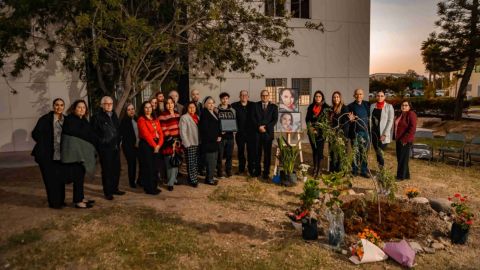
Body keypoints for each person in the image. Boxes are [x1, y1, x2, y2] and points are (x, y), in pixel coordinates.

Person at [31, 98, 67, 209]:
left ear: (64, 107)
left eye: (61, 105)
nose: (59, 107)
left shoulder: (66, 120)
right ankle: (54, 203)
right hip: (47, 155)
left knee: (60, 178)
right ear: (53, 106)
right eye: (57, 105)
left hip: (61, 155)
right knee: (50, 180)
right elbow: (35, 134)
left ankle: (61, 200)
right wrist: (45, 143)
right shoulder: (45, 119)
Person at [61, 100, 97, 208]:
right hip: (75, 155)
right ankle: (78, 201)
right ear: (74, 108)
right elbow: (76, 135)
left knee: (81, 177)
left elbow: (89, 134)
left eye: (83, 107)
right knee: (77, 177)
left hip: (82, 154)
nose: (81, 109)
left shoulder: (84, 120)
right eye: (79, 107)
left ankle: (81, 197)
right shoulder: (70, 120)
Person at [91, 96, 124, 200]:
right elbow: (93, 134)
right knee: (107, 170)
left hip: (115, 147)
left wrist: (119, 141)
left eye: (111, 104)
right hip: (105, 149)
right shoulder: (96, 117)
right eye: (106, 103)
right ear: (102, 105)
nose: (109, 105)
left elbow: (117, 129)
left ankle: (115, 188)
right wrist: (101, 144)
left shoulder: (114, 115)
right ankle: (108, 192)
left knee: (116, 169)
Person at [137, 101, 164, 195]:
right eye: (146, 107)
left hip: (156, 144)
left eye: (150, 107)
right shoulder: (141, 119)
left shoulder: (155, 118)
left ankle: (154, 186)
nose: (148, 109)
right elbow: (146, 134)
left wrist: (159, 144)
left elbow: (160, 132)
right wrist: (155, 146)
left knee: (156, 167)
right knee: (148, 167)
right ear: (143, 109)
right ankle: (149, 188)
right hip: (146, 145)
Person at [253, 90, 278, 179]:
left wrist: (266, 127)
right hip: (257, 133)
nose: (264, 97)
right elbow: (253, 118)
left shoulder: (274, 107)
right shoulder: (255, 105)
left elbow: (274, 120)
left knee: (267, 154)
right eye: (263, 95)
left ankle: (266, 172)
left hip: (268, 133)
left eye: (266, 95)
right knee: (257, 153)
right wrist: (259, 127)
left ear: (269, 96)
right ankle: (257, 171)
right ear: (260, 96)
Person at [158, 97, 182, 191]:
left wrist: (179, 139)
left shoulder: (177, 114)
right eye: (167, 103)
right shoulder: (162, 116)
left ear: (174, 104)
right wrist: (172, 140)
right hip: (169, 142)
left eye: (171, 103)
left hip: (178, 141)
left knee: (176, 161)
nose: (170, 105)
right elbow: (164, 129)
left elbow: (180, 127)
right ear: (165, 105)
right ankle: (170, 183)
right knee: (170, 163)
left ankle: (174, 179)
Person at [305, 90, 330, 178]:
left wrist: (318, 130)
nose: (318, 98)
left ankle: (319, 169)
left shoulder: (326, 107)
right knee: (314, 151)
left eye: (319, 96)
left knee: (320, 151)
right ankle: (315, 168)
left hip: (321, 134)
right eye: (316, 96)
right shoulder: (311, 106)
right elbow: (307, 119)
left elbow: (327, 122)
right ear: (314, 98)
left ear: (322, 97)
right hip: (311, 133)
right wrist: (311, 128)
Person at [231, 90, 256, 176]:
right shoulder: (234, 106)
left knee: (251, 152)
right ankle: (241, 169)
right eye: (242, 95)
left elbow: (261, 107)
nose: (244, 96)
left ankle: (251, 169)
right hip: (240, 133)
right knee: (240, 152)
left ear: (248, 96)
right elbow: (226, 109)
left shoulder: (253, 105)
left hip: (251, 133)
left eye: (245, 95)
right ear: (239, 96)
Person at [348, 88, 370, 178]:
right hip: (356, 133)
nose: (359, 96)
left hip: (365, 132)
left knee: (364, 153)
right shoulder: (350, 106)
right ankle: (355, 170)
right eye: (357, 94)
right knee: (356, 152)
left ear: (363, 95)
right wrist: (351, 119)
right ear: (354, 95)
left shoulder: (366, 105)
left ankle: (364, 170)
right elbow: (349, 119)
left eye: (360, 94)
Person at [199, 96, 221, 185]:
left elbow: (217, 126)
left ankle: (211, 177)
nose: (211, 104)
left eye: (212, 103)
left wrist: (219, 135)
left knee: (214, 161)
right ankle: (209, 179)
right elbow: (205, 130)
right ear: (205, 104)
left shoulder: (214, 113)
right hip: (209, 142)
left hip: (215, 142)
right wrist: (215, 137)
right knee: (210, 162)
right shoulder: (204, 114)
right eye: (209, 103)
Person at [369, 90, 394, 168]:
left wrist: (385, 134)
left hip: (383, 133)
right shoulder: (372, 106)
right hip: (374, 133)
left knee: (380, 151)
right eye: (378, 96)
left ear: (384, 97)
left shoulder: (389, 107)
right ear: (376, 97)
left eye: (382, 96)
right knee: (377, 152)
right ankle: (380, 168)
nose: (380, 97)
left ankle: (382, 170)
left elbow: (390, 121)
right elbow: (370, 118)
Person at [393, 100, 417, 180]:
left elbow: (412, 129)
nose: (404, 106)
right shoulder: (400, 114)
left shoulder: (411, 114)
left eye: (406, 105)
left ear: (409, 107)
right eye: (402, 105)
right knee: (401, 158)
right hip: (398, 139)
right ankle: (406, 175)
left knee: (402, 159)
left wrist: (405, 140)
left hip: (405, 140)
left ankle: (400, 177)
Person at [179, 102, 200, 187]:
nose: (192, 109)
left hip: (197, 142)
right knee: (191, 163)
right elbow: (182, 132)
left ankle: (192, 177)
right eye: (190, 107)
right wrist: (186, 143)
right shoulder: (184, 117)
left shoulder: (197, 117)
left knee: (195, 162)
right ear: (187, 108)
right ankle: (193, 180)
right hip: (190, 143)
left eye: (193, 107)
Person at [216, 92, 236, 178]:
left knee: (229, 155)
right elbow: (216, 123)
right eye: (223, 98)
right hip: (221, 136)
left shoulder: (232, 110)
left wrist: (234, 129)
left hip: (230, 136)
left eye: (226, 98)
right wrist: (220, 131)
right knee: (220, 156)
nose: (225, 100)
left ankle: (229, 171)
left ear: (228, 99)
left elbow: (234, 121)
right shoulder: (216, 110)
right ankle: (219, 172)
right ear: (220, 100)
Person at [329, 91, 350, 172]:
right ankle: (333, 170)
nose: (336, 98)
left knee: (341, 153)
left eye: (337, 97)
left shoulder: (344, 108)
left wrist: (340, 134)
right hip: (332, 134)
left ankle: (341, 170)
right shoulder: (331, 109)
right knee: (333, 152)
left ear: (340, 98)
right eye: (334, 97)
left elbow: (346, 123)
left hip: (341, 135)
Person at [120, 103, 139, 188]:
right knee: (132, 164)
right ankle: (132, 182)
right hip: (129, 146)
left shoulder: (136, 118)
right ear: (126, 111)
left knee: (140, 163)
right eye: (129, 109)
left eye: (132, 109)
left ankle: (139, 180)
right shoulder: (124, 121)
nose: (131, 111)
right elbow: (125, 136)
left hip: (138, 145)